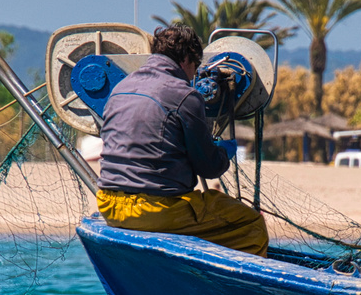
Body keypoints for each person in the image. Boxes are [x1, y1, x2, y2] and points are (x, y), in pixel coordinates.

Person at [95, 25, 269, 255]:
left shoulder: (119, 89)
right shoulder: (185, 96)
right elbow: (209, 168)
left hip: (108, 204)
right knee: (251, 225)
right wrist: (225, 151)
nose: (194, 75)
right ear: (186, 58)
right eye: (195, 67)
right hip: (154, 210)